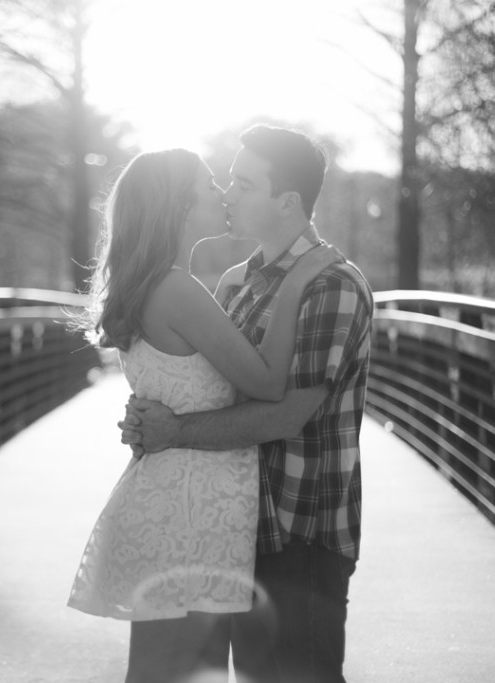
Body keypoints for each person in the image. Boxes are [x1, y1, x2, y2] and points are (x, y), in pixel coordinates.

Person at [66, 147, 341, 683]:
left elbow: (190, 389)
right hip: (186, 513)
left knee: (180, 673)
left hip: (189, 505)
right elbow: (265, 383)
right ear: (178, 208)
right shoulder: (176, 289)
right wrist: (295, 284)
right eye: (209, 186)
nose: (222, 194)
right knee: (167, 675)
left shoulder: (166, 285)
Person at [120, 125, 374, 683]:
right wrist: (152, 409)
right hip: (233, 529)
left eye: (243, 182)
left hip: (298, 529)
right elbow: (214, 382)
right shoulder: (238, 283)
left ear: (287, 202)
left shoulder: (330, 286)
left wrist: (172, 429)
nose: (228, 193)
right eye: (225, 181)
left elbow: (286, 415)